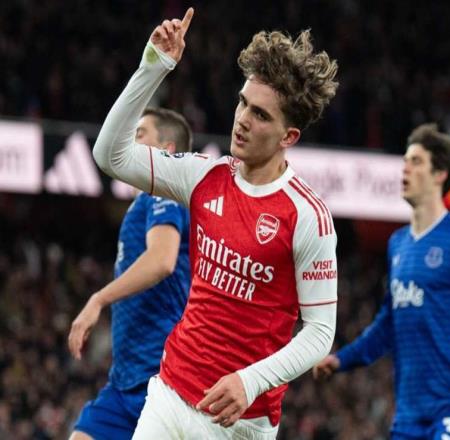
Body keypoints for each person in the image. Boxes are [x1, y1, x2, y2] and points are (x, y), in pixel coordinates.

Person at [92, 7, 339, 439]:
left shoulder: (307, 216)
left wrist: (251, 380)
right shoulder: (204, 177)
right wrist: (154, 67)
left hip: (239, 423)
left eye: (261, 114)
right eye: (243, 103)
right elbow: (109, 155)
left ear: (289, 137)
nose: (242, 119)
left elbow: (320, 332)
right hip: (169, 395)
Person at [314, 123, 450, 439]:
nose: (405, 168)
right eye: (404, 161)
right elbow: (388, 324)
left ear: (440, 174)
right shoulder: (398, 244)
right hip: (408, 416)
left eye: (416, 161)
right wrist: (342, 360)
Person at [67, 107, 192, 440]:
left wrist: (98, 299)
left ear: (165, 150)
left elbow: (162, 259)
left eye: (139, 134)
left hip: (161, 378)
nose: (129, 140)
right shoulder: (143, 203)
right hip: (124, 381)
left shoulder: (164, 190)